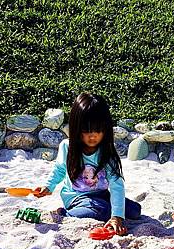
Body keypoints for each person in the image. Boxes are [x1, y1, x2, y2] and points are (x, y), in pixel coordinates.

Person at [35, 93, 141, 235]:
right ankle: (65, 213)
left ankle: (107, 210)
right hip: (76, 196)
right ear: (77, 128)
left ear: (106, 128)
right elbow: (60, 169)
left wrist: (117, 217)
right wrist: (48, 186)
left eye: (98, 130)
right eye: (86, 130)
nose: (92, 136)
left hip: (101, 194)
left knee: (134, 211)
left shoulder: (107, 151)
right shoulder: (68, 147)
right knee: (103, 211)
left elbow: (116, 184)